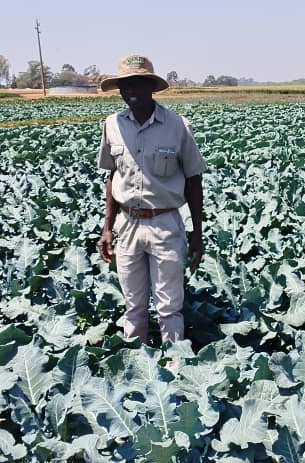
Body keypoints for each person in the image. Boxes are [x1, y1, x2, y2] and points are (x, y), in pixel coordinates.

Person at [96, 54, 206, 345]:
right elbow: (112, 178)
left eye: (138, 83)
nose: (130, 90)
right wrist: (108, 227)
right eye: (125, 85)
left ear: (151, 87)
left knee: (169, 306)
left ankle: (175, 369)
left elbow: (194, 181)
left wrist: (197, 234)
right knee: (133, 306)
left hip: (165, 224)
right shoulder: (112, 125)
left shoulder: (177, 125)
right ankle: (136, 366)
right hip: (127, 224)